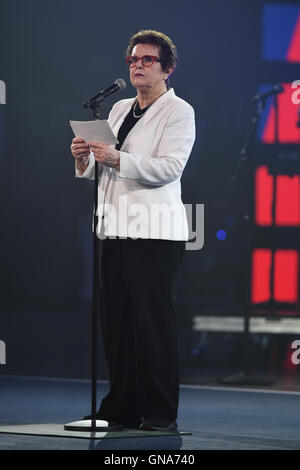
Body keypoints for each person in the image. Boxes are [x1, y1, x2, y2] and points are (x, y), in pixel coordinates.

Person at [70, 30, 195, 431]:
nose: (137, 66)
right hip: (113, 228)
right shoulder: (121, 108)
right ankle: (120, 407)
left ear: (167, 69)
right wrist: (84, 158)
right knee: (118, 324)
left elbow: (170, 168)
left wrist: (118, 158)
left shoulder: (179, 112)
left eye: (147, 60)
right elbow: (100, 167)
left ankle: (160, 413)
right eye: (133, 60)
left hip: (154, 232)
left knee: (153, 325)